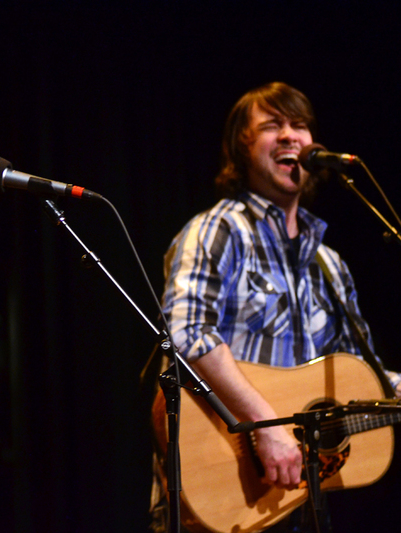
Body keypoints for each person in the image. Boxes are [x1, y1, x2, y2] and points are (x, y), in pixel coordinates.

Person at [153, 81, 400, 532]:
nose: (290, 136)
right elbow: (188, 333)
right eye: (272, 125)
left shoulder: (328, 263)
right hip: (220, 502)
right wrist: (265, 426)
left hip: (300, 505)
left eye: (300, 125)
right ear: (241, 149)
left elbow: (366, 377)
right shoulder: (218, 232)